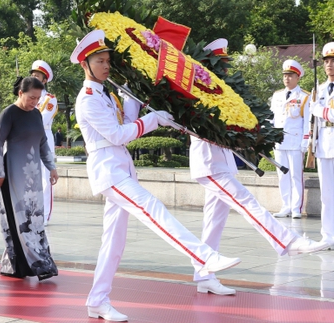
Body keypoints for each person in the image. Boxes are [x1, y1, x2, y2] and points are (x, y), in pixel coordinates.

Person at [70, 30, 242, 322]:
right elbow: (117, 135)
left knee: (113, 242)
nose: (106, 65)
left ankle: (97, 300)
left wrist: (143, 96)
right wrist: (153, 119)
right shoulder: (88, 99)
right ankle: (203, 256)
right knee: (152, 208)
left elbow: (126, 121)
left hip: (120, 169)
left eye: (107, 60)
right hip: (109, 172)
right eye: (100, 61)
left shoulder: (106, 94)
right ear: (85, 65)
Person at [189, 41, 327, 296]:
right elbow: (199, 127)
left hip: (222, 163)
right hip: (209, 163)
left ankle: (203, 274)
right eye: (222, 65)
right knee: (246, 201)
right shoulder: (198, 91)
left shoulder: (219, 90)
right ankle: (287, 240)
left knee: (214, 222)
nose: (226, 71)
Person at [0, 77, 59, 281]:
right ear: (20, 93)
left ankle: (20, 265)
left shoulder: (36, 114)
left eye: (38, 98)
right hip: (12, 174)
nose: (34, 102)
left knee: (34, 218)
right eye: (31, 98)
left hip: (33, 176)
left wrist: (52, 167)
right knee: (20, 219)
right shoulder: (8, 114)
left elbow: (43, 143)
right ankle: (36, 264)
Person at [271, 60, 310, 219]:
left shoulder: (304, 97)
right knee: (282, 175)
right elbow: (271, 117)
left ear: (297, 77)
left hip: (295, 142)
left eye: (291, 75)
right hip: (279, 142)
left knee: (295, 175)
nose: (287, 78)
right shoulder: (277, 95)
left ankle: (296, 208)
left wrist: (305, 141)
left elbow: (307, 121)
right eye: (285, 75)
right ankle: (286, 206)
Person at [310, 42, 334, 248]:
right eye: (327, 61)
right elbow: (314, 122)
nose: (329, 64)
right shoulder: (319, 89)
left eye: (333, 61)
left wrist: (319, 110)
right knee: (326, 194)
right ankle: (328, 235)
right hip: (324, 146)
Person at [30, 60, 58, 225]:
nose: (34, 78)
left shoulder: (49, 99)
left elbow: (40, 120)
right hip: (29, 139)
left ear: (45, 80)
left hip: (44, 138)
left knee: (45, 180)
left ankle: (45, 214)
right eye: (32, 75)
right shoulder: (27, 96)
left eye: (37, 76)